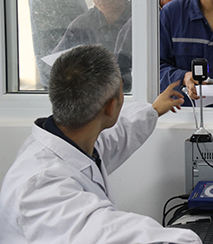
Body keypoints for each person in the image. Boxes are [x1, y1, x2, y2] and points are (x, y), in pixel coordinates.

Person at [0, 45, 200, 244]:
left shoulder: (71, 140)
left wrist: (154, 110)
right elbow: (104, 234)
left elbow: (118, 135)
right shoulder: (42, 186)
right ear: (111, 107)